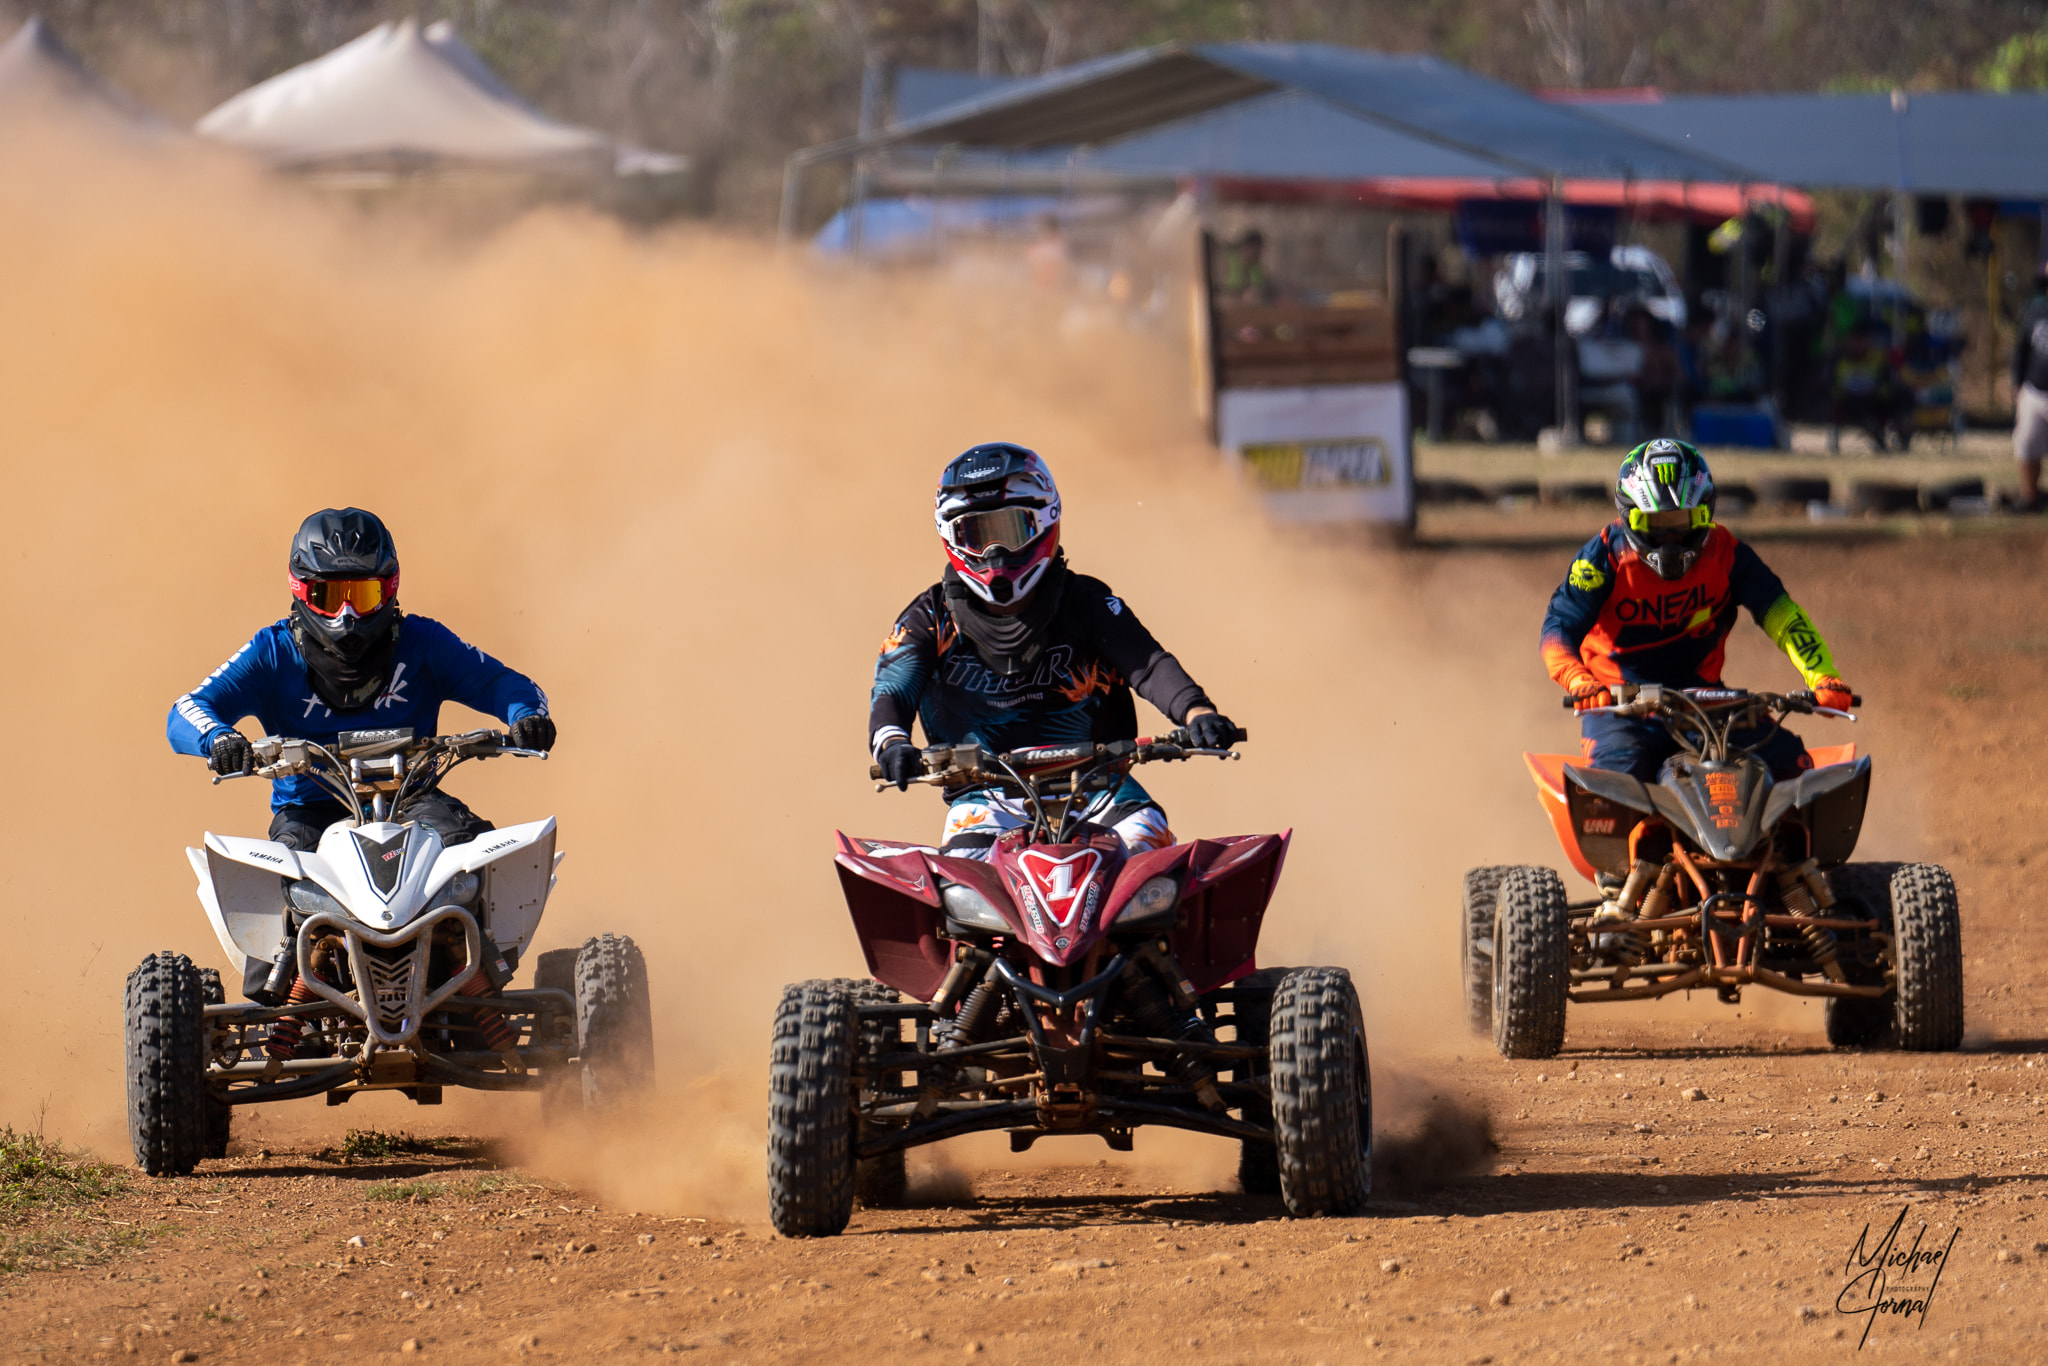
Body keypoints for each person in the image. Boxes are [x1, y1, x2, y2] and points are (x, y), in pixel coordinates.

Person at [869, 444, 1237, 858]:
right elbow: (892, 690)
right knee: (959, 877)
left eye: (1010, 530)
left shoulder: (1086, 601)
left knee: (1149, 848)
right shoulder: (928, 617)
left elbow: (1147, 665)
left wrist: (1197, 713)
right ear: (952, 538)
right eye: (977, 535)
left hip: (1100, 785)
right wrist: (892, 743)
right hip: (985, 798)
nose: (995, 554)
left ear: (1045, 523)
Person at [168, 506, 557, 883]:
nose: (347, 614)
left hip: (414, 800)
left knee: (480, 864)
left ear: (389, 589)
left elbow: (503, 683)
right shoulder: (272, 652)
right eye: (329, 596)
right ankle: (286, 952)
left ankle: (495, 951)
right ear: (300, 591)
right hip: (307, 812)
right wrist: (220, 739)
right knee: (280, 886)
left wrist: (525, 716)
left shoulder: (424, 642)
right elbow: (187, 709)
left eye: (363, 594)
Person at [1540, 439, 1854, 784]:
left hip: (1707, 702)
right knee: (1614, 784)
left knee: (1791, 764)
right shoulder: (1602, 559)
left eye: (1683, 521)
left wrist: (1822, 676)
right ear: (1628, 516)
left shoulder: (1726, 553)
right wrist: (1579, 681)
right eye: (1655, 525)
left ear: (1707, 513)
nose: (1670, 538)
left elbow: (1783, 616)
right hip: (1618, 706)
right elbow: (1558, 629)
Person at [2011, 264, 2048, 511]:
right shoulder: (2036, 311)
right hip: (2034, 389)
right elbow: (2021, 349)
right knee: (2026, 445)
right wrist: (2017, 384)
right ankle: (2030, 498)